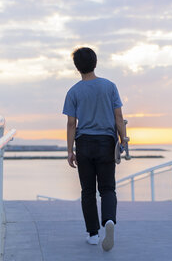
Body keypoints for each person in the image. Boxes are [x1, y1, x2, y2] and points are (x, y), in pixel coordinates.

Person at [62, 47, 128, 251]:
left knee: (88, 191)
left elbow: (72, 123)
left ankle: (92, 234)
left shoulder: (73, 91)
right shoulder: (109, 86)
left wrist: (70, 150)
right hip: (106, 142)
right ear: (95, 62)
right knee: (107, 188)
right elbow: (118, 117)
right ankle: (109, 220)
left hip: (84, 144)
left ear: (77, 67)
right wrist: (123, 139)